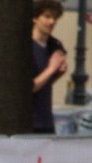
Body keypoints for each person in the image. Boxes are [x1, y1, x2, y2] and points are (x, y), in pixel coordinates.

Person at [31, 0, 67, 133]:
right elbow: (28, 88)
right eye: (47, 16)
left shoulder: (53, 47)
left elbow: (43, 83)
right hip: (32, 125)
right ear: (35, 18)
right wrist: (51, 68)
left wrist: (57, 74)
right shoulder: (27, 49)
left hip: (47, 123)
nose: (52, 22)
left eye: (54, 18)